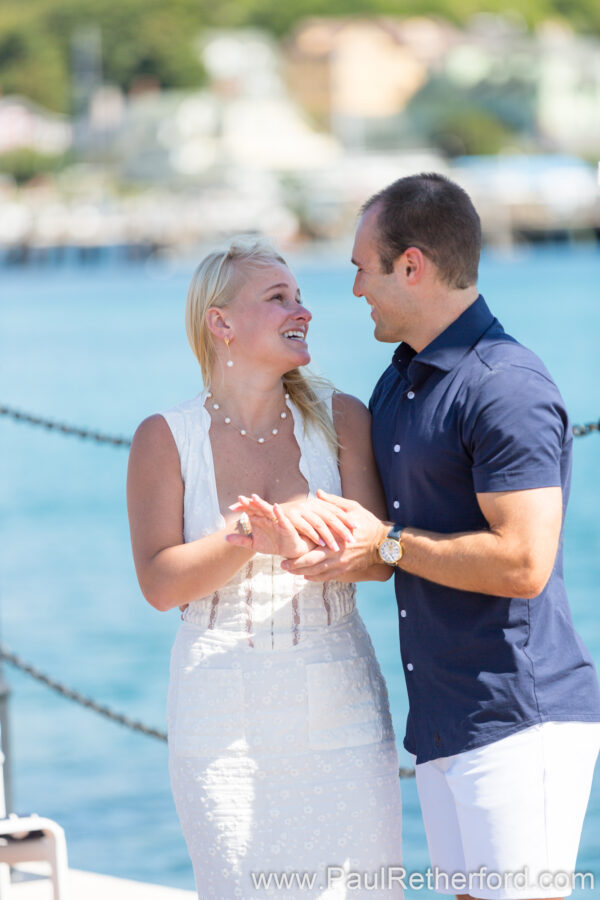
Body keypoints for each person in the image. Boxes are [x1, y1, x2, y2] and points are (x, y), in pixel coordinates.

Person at [260, 173, 600, 900]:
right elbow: (378, 544)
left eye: (360, 267)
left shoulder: (506, 385)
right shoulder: (399, 383)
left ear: (411, 265)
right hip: (444, 718)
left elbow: (524, 562)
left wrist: (385, 543)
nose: (353, 289)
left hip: (520, 717)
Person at [126, 237, 404, 899]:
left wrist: (305, 543)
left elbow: (379, 562)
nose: (302, 309)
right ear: (220, 323)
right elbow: (160, 584)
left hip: (340, 702)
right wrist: (248, 536)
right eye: (278, 297)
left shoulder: (345, 419)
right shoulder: (163, 437)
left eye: (300, 296)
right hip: (219, 716)